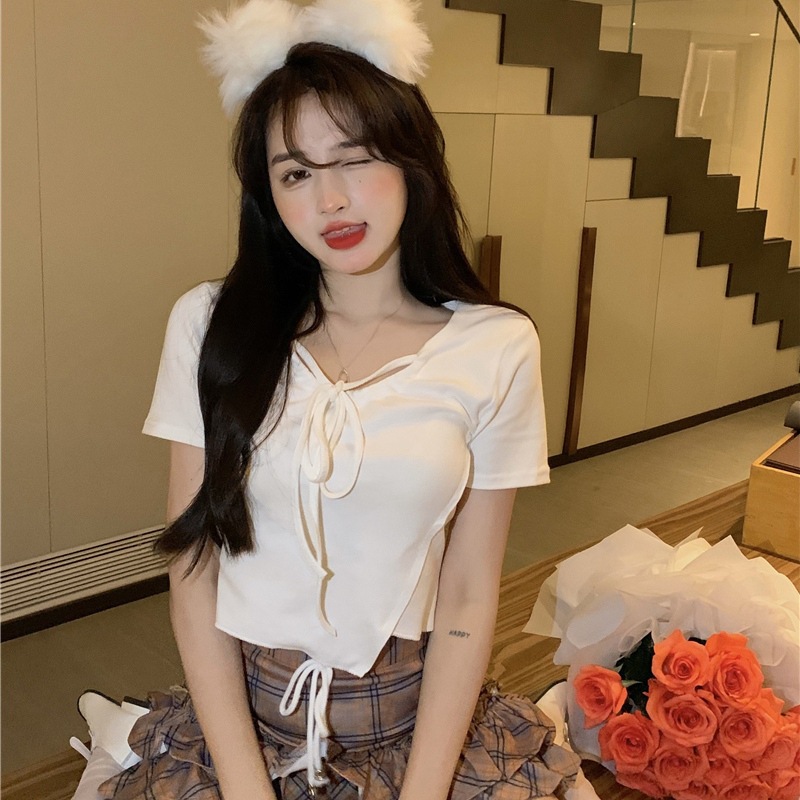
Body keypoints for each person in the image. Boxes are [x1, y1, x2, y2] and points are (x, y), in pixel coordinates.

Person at [70, 1, 581, 798]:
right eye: (296, 173)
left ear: (412, 160)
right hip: (244, 728)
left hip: (412, 726)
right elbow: (196, 573)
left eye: (355, 158)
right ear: (268, 195)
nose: (331, 201)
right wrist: (246, 788)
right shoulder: (209, 324)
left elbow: (468, 594)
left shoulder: (497, 345)